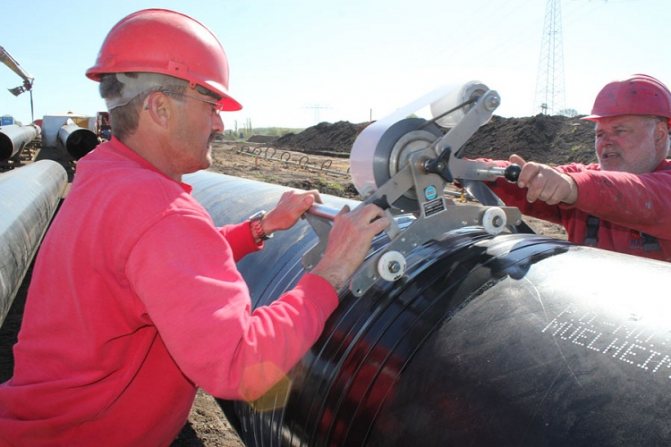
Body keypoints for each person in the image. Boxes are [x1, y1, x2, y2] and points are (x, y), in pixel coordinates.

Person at [0, 9, 389, 446]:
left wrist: (261, 228)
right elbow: (240, 366)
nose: (220, 124)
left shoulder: (104, 174)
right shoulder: (161, 212)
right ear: (160, 108)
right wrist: (333, 270)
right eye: (212, 105)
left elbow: (158, 266)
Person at [487, 74, 671, 262]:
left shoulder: (584, 185)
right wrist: (482, 170)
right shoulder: (584, 180)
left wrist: (570, 185)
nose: (606, 142)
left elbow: (633, 193)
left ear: (659, 135)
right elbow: (536, 180)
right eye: (600, 134)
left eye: (619, 131)